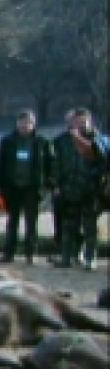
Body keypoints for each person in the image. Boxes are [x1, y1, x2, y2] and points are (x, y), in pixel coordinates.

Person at [51, 108, 110, 269]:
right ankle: (66, 258)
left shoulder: (99, 140)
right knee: (68, 226)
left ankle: (90, 259)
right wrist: (56, 184)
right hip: (69, 189)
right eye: (76, 122)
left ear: (90, 122)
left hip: (91, 190)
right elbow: (56, 164)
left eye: (83, 122)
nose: (80, 125)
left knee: (90, 227)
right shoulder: (62, 141)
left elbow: (102, 160)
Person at [0, 109, 52, 265]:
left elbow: (50, 165)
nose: (25, 125)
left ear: (34, 124)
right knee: (12, 222)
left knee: (31, 223)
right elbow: (0, 164)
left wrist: (48, 185)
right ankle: (8, 254)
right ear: (17, 123)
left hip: (32, 188)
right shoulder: (7, 141)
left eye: (28, 122)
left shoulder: (42, 142)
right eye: (22, 122)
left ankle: (30, 254)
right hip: (12, 188)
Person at [50, 109, 76, 262]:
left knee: (80, 222)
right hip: (62, 188)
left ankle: (78, 253)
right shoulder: (59, 141)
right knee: (60, 221)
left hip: (83, 188)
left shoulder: (93, 140)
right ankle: (61, 252)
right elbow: (53, 165)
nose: (73, 123)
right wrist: (55, 185)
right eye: (70, 120)